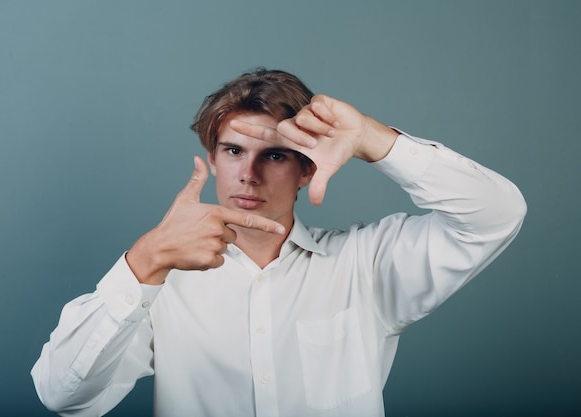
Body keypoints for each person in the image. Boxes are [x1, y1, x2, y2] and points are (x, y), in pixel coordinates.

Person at [31, 68, 526, 417]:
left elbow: (495, 214)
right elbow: (63, 396)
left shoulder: (366, 262)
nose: (247, 174)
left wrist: (372, 139)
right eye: (233, 150)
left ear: (306, 167)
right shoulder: (160, 282)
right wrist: (145, 259)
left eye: (273, 156)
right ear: (213, 157)